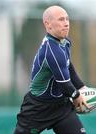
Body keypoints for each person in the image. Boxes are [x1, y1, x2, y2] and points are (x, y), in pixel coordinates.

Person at [14, 5, 89, 134]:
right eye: (61, 20)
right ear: (48, 25)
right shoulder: (52, 50)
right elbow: (65, 84)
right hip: (38, 109)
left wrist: (82, 87)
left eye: (67, 19)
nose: (66, 23)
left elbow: (68, 66)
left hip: (62, 107)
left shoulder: (65, 43)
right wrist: (77, 96)